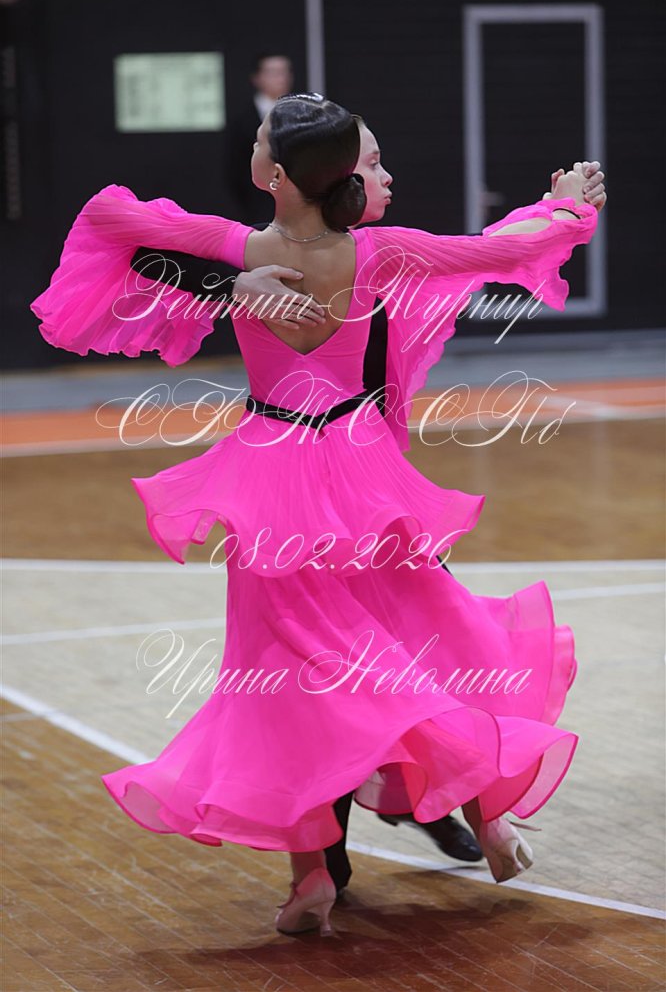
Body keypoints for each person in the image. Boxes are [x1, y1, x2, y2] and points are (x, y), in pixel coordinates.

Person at [31, 92, 600, 938]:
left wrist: (231, 281)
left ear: (273, 174)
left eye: (261, 138)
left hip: (270, 474)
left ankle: (312, 880)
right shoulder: (379, 251)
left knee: (287, 680)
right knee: (432, 627)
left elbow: (112, 222)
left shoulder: (239, 246)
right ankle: (486, 812)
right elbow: (498, 248)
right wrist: (568, 208)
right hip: (364, 468)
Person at [226, 53, 294, 223]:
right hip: (257, 208)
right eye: (273, 72)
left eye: (284, 72)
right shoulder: (243, 121)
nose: (281, 78)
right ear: (257, 78)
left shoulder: (301, 115)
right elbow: (235, 171)